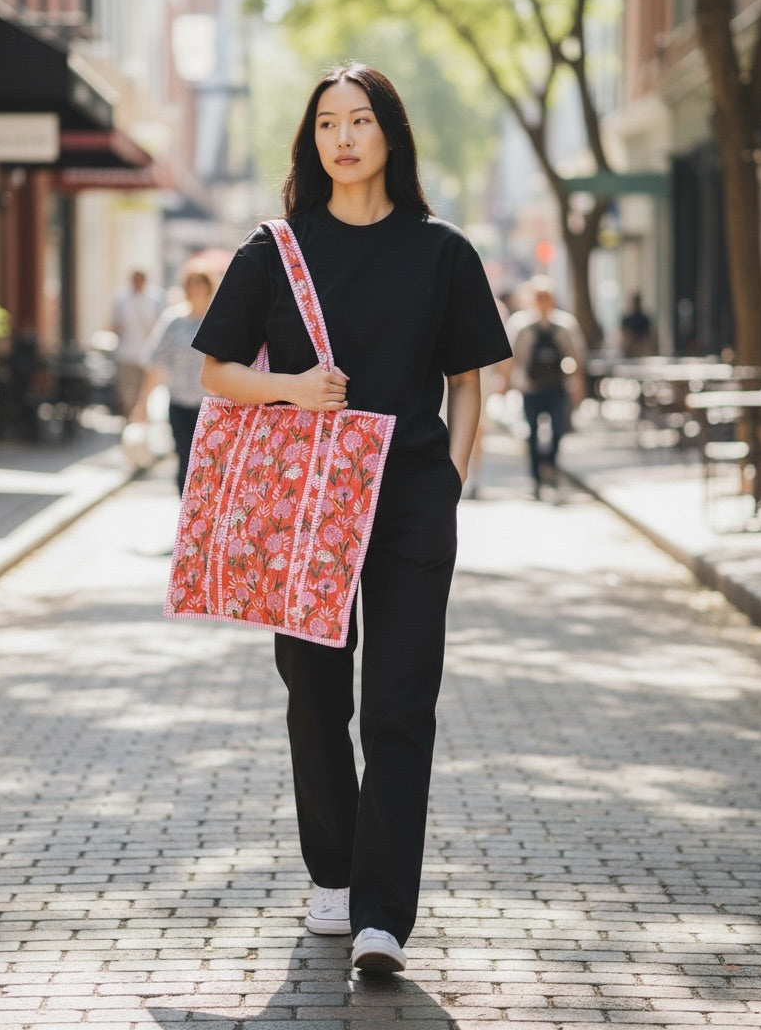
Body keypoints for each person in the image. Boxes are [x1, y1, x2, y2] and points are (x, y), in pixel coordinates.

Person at [191, 63, 511, 974]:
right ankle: (332, 874)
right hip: (303, 503)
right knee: (316, 695)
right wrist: (292, 388)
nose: (343, 136)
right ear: (312, 140)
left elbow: (468, 381)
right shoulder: (275, 249)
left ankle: (382, 915)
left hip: (408, 499)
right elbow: (216, 371)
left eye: (360, 120)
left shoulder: (442, 250)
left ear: (389, 136)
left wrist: (446, 483)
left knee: (400, 704)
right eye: (327, 121)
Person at [132, 259, 225, 494]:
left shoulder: (220, 321)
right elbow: (156, 364)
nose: (196, 289)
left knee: (211, 465)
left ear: (209, 286)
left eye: (200, 283)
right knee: (185, 460)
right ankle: (187, 515)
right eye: (191, 284)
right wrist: (142, 403)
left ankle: (206, 516)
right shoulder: (173, 322)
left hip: (214, 407)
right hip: (180, 405)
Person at [504, 275, 586, 499]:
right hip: (530, 388)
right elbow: (511, 358)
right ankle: (536, 478)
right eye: (539, 296)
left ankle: (550, 464)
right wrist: (507, 383)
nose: (543, 301)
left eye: (546, 296)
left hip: (557, 387)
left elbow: (576, 356)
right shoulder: (521, 325)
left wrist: (576, 383)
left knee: (558, 430)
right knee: (531, 434)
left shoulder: (564, 325)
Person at [110, 270, 164, 418]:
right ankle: (129, 419)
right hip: (126, 353)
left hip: (148, 354)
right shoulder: (122, 299)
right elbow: (115, 324)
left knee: (145, 393)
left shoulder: (154, 299)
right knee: (127, 392)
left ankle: (141, 423)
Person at [620, 291, 656, 359]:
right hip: (629, 350)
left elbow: (648, 336)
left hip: (642, 350)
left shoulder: (644, 319)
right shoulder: (627, 319)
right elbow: (624, 335)